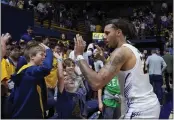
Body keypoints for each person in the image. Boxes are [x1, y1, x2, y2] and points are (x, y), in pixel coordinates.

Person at [74, 19, 160, 119]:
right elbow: (117, 71)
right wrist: (102, 58)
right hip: (148, 104)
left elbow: (96, 83)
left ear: (118, 32)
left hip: (139, 109)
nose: (104, 37)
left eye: (107, 33)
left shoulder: (121, 51)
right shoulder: (131, 48)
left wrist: (79, 55)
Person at [10, 42, 53, 119]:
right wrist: (49, 51)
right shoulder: (30, 71)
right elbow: (46, 68)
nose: (44, 57)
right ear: (32, 56)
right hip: (29, 114)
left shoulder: (24, 70)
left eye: (45, 55)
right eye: (41, 55)